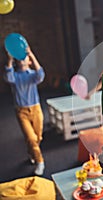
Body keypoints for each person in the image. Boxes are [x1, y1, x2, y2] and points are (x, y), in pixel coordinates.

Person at [3, 46, 46, 176]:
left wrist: (31, 54)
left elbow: (41, 75)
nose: (21, 60)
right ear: (16, 62)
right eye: (19, 59)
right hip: (21, 112)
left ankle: (31, 152)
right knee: (31, 138)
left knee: (38, 137)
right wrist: (9, 60)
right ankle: (40, 161)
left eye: (25, 58)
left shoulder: (33, 75)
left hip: (36, 109)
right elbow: (7, 77)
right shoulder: (14, 76)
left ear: (29, 62)